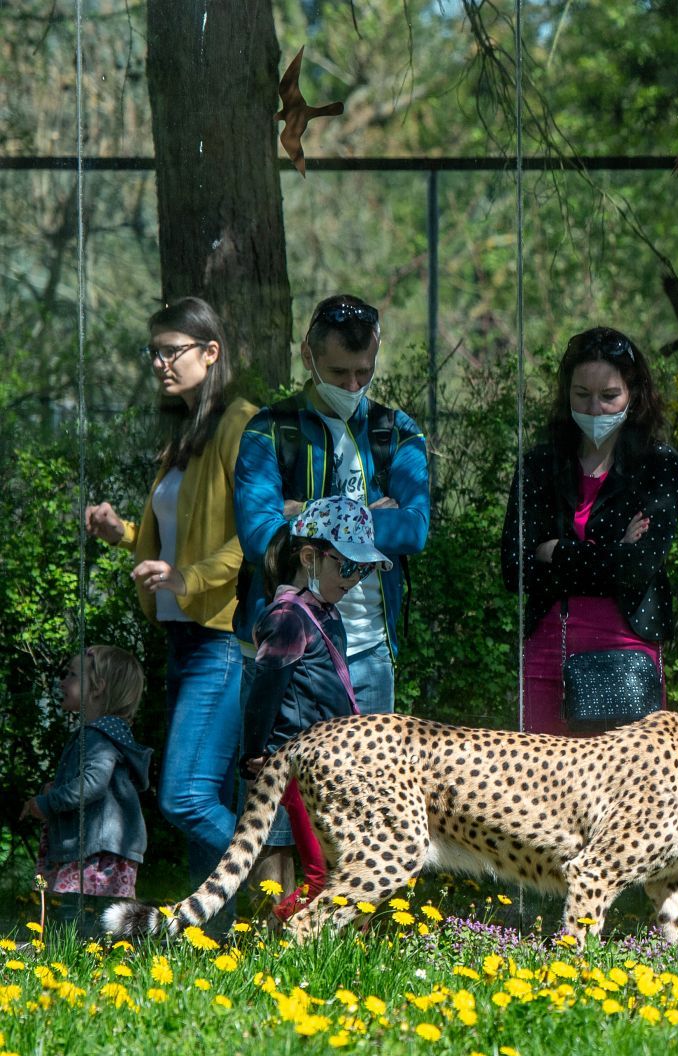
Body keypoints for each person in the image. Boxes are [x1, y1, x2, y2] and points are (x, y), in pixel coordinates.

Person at [84, 296, 258, 888]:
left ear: (211, 353)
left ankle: (274, 881)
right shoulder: (186, 432)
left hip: (220, 637)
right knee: (205, 793)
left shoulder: (240, 423)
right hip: (182, 636)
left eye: (171, 351)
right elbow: (178, 541)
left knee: (183, 797)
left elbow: (253, 539)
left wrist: (188, 578)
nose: (160, 363)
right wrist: (124, 535)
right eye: (153, 352)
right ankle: (213, 938)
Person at [234, 293, 430, 715]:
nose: (353, 385)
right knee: (274, 783)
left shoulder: (396, 430)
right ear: (308, 354)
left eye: (365, 371)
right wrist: (370, 518)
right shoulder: (267, 430)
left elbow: (414, 529)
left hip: (368, 649)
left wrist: (302, 513)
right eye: (339, 372)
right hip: (282, 649)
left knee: (369, 785)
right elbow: (259, 537)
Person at [501, 327, 678, 735]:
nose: (596, 409)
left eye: (609, 396)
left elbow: (637, 567)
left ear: (633, 394)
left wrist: (556, 551)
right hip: (548, 653)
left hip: (626, 658)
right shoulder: (538, 464)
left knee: (628, 794)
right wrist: (613, 552)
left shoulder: (658, 464)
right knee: (542, 792)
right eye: (582, 395)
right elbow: (513, 568)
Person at [241, 495, 392, 916]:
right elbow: (266, 690)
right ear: (309, 556)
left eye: (363, 570)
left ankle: (307, 944)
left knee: (340, 869)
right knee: (324, 877)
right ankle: (278, 941)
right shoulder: (289, 617)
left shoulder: (324, 614)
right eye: (347, 566)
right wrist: (254, 752)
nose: (355, 579)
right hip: (301, 764)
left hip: (329, 766)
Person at [26, 646, 152, 937]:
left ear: (97, 688)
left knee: (77, 909)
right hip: (104, 845)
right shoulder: (105, 733)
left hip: (95, 847)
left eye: (72, 674)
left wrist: (49, 803)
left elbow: (92, 784)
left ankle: (74, 953)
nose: (62, 681)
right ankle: (104, 952)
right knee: (105, 912)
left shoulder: (97, 735)